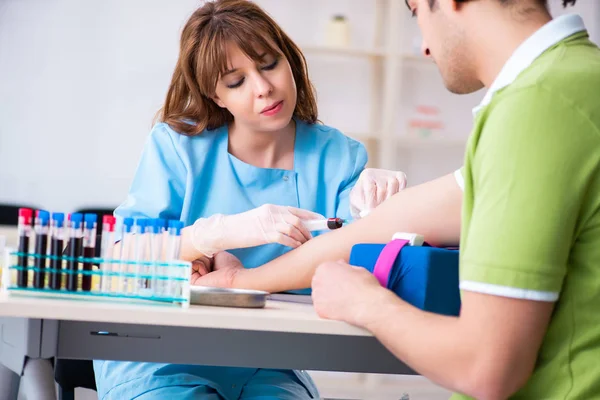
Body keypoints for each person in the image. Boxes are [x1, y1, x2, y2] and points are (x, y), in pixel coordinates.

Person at [199, 0, 600, 398]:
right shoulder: (565, 84)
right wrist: (241, 280)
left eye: (415, 13)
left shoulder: (539, 106)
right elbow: (384, 223)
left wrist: (366, 303)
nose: (425, 45)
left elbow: (485, 367)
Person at [92, 0, 395, 398]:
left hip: (267, 361)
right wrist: (213, 234)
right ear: (215, 96)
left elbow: (353, 259)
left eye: (269, 64)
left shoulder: (338, 156)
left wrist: (379, 209)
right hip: (160, 356)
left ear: (289, 60)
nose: (263, 88)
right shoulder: (179, 147)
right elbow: (120, 257)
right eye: (236, 82)